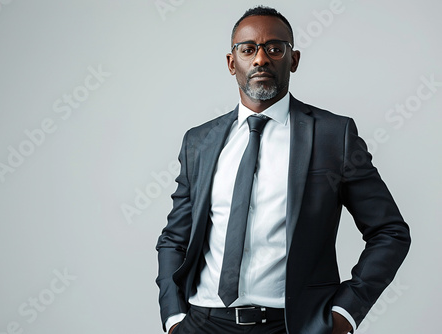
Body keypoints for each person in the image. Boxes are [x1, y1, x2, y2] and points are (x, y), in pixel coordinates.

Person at [156, 6, 410, 334]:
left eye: (275, 48)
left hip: (291, 325)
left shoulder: (333, 136)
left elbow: (389, 232)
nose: (261, 59)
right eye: (248, 49)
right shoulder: (199, 141)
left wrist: (345, 314)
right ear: (233, 64)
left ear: (294, 60)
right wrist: (174, 318)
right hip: (203, 322)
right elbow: (175, 238)